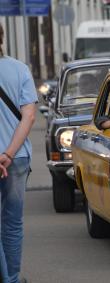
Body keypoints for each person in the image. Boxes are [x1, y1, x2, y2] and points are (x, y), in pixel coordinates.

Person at [0, 23, 38, 283]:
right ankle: (11, 279)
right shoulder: (19, 69)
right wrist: (9, 154)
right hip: (16, 158)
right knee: (12, 225)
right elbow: (30, 115)